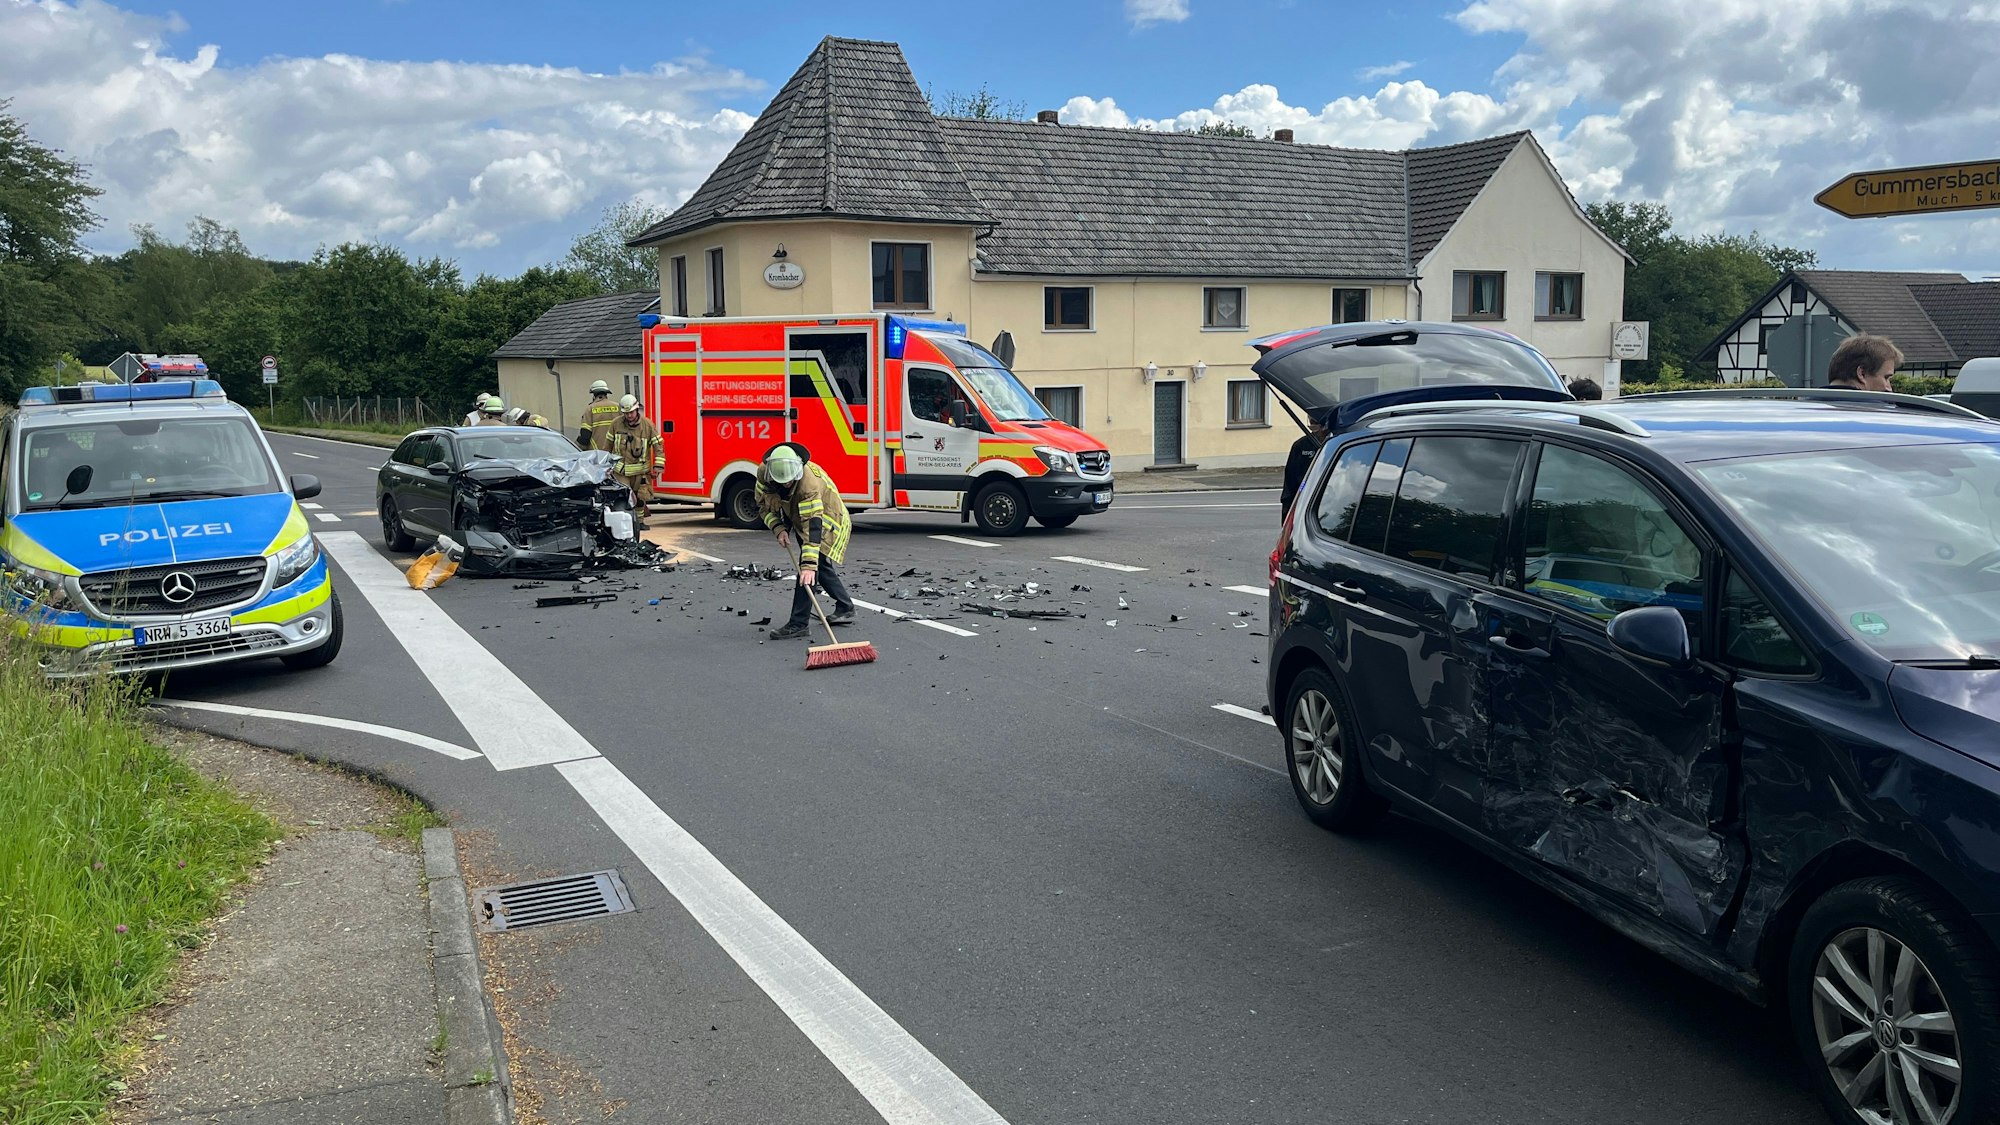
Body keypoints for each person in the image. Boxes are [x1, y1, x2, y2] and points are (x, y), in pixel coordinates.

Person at [756, 446, 856, 640]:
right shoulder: (764, 473)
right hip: (801, 518)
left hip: (827, 520)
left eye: (790, 482)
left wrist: (808, 566)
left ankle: (798, 623)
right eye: (781, 483)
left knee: (808, 571)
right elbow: (762, 504)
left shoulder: (808, 485)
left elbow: (813, 527)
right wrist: (779, 528)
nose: (786, 486)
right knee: (820, 567)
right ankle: (845, 607)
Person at [598, 394, 663, 528]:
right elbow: (607, 446)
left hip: (640, 471)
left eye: (631, 412)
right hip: (621, 470)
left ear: (637, 409)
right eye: (626, 413)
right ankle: (626, 524)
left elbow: (658, 446)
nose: (629, 416)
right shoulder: (616, 424)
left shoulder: (647, 425)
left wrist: (658, 467)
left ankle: (639, 522)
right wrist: (604, 465)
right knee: (624, 497)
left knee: (640, 498)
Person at [1280, 409, 1331, 523]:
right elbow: (1290, 481)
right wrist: (1288, 510)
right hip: (1304, 498)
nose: (1316, 430)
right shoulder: (1300, 446)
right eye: (1312, 422)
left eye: (1317, 422)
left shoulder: (1336, 443)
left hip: (1330, 501)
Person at [1825, 334, 1903, 392]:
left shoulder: (1814, 407)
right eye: (1886, 378)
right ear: (1862, 373)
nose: (1889, 389)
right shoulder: (1878, 412)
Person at [578, 379, 621, 447]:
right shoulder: (618, 407)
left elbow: (585, 435)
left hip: (597, 453)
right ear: (606, 394)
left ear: (594, 395)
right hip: (616, 452)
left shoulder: (590, 409)